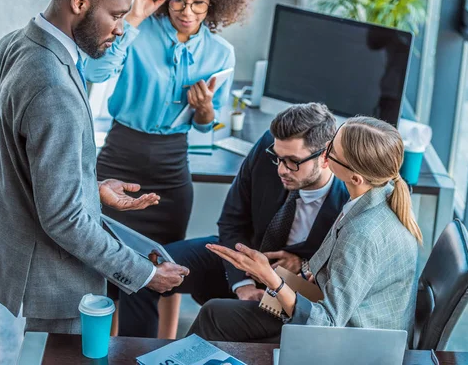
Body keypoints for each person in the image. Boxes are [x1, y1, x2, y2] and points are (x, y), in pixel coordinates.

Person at [0, 0, 188, 334]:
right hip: (51, 285)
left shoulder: (12, 44)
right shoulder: (52, 86)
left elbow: (16, 166)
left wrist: (88, 188)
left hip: (9, 271)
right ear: (80, 2)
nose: (122, 29)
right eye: (117, 15)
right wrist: (144, 274)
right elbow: (63, 218)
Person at [84, 0, 253, 338]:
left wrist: (205, 109)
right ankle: (109, 349)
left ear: (215, 5)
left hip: (171, 171)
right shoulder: (138, 32)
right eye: (177, 0)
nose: (186, 11)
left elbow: (206, 125)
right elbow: (96, 73)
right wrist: (132, 19)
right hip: (119, 158)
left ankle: (160, 349)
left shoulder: (220, 52)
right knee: (106, 266)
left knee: (164, 265)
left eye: (198, 3)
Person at [117, 103, 350, 338]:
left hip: (290, 290)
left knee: (219, 320)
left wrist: (304, 264)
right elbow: (232, 222)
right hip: (239, 261)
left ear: (325, 157)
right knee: (143, 273)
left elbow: (341, 279)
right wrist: (243, 284)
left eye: (292, 161)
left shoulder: (348, 199)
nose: (281, 170)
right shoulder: (268, 147)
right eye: (277, 158)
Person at [194, 116, 422, 342]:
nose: (324, 151)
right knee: (215, 311)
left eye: (331, 151)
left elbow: (326, 325)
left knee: (214, 315)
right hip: (341, 312)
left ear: (355, 177)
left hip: (353, 341)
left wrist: (271, 279)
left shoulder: (362, 233)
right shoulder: (382, 195)